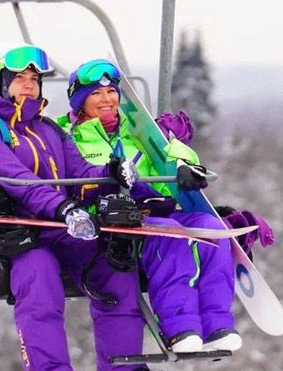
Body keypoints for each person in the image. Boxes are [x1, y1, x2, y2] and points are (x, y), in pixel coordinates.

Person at [0, 44, 169, 371]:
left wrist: (110, 174)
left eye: (34, 79)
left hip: (55, 228)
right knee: (37, 269)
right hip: (2, 237)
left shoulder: (48, 130)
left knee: (113, 261)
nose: (28, 86)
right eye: (19, 79)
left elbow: (80, 174)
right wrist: (64, 207)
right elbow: (19, 180)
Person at [56, 59, 255, 354]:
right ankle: (180, 328)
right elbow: (69, 182)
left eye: (111, 92)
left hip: (155, 209)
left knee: (211, 230)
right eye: (96, 94)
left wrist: (186, 165)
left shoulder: (135, 131)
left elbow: (168, 153)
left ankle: (216, 324)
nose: (107, 100)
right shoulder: (67, 137)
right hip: (113, 223)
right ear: (80, 100)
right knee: (170, 234)